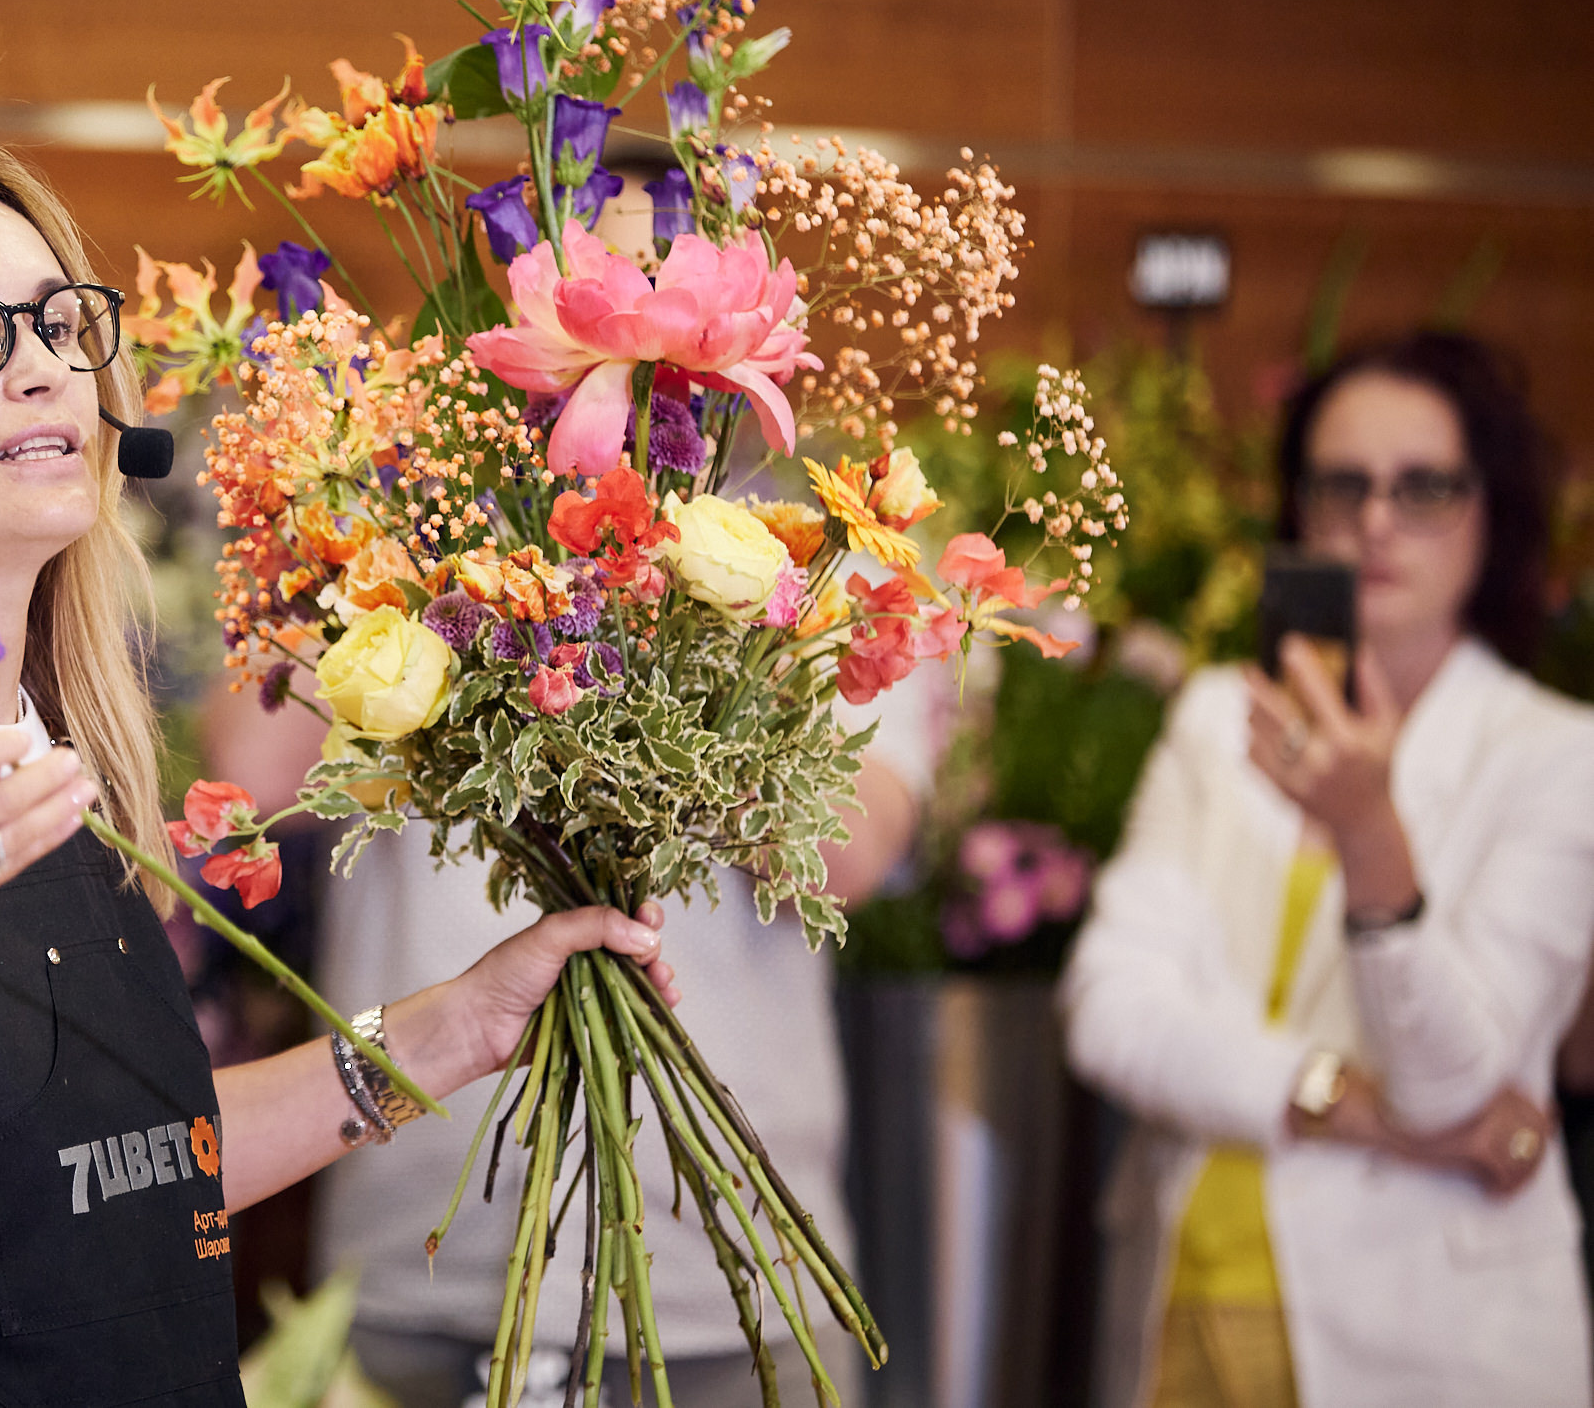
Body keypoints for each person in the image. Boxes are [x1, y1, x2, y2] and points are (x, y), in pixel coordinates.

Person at [0, 148, 679, 1408]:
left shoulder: (50, 740)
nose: (43, 366)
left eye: (57, 322)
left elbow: (115, 1174)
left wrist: (445, 1033)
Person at [1061, 331, 1594, 1408]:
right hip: (1183, 1295)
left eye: (1425, 485)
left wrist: (1366, 828)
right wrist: (1350, 1102)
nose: (1378, 519)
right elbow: (1108, 1008)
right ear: (1297, 507)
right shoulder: (1217, 716)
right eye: (1342, 482)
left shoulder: (1557, 753)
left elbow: (1452, 1070)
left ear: (1491, 512)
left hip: (1426, 1333)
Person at [310, 681, 935, 1408]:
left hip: (726, 1280)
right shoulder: (371, 576)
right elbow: (247, 758)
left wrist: (634, 659)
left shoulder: (823, 588)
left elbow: (845, 851)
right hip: (410, 1256)